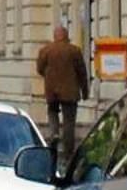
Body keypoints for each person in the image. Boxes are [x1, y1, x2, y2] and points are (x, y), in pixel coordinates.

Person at [36, 24, 89, 169]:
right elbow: (82, 72)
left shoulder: (46, 50)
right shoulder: (74, 51)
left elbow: (40, 69)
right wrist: (85, 91)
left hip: (51, 90)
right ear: (66, 36)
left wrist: (49, 77)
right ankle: (68, 152)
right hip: (70, 91)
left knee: (52, 113)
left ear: (55, 36)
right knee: (69, 122)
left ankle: (54, 134)